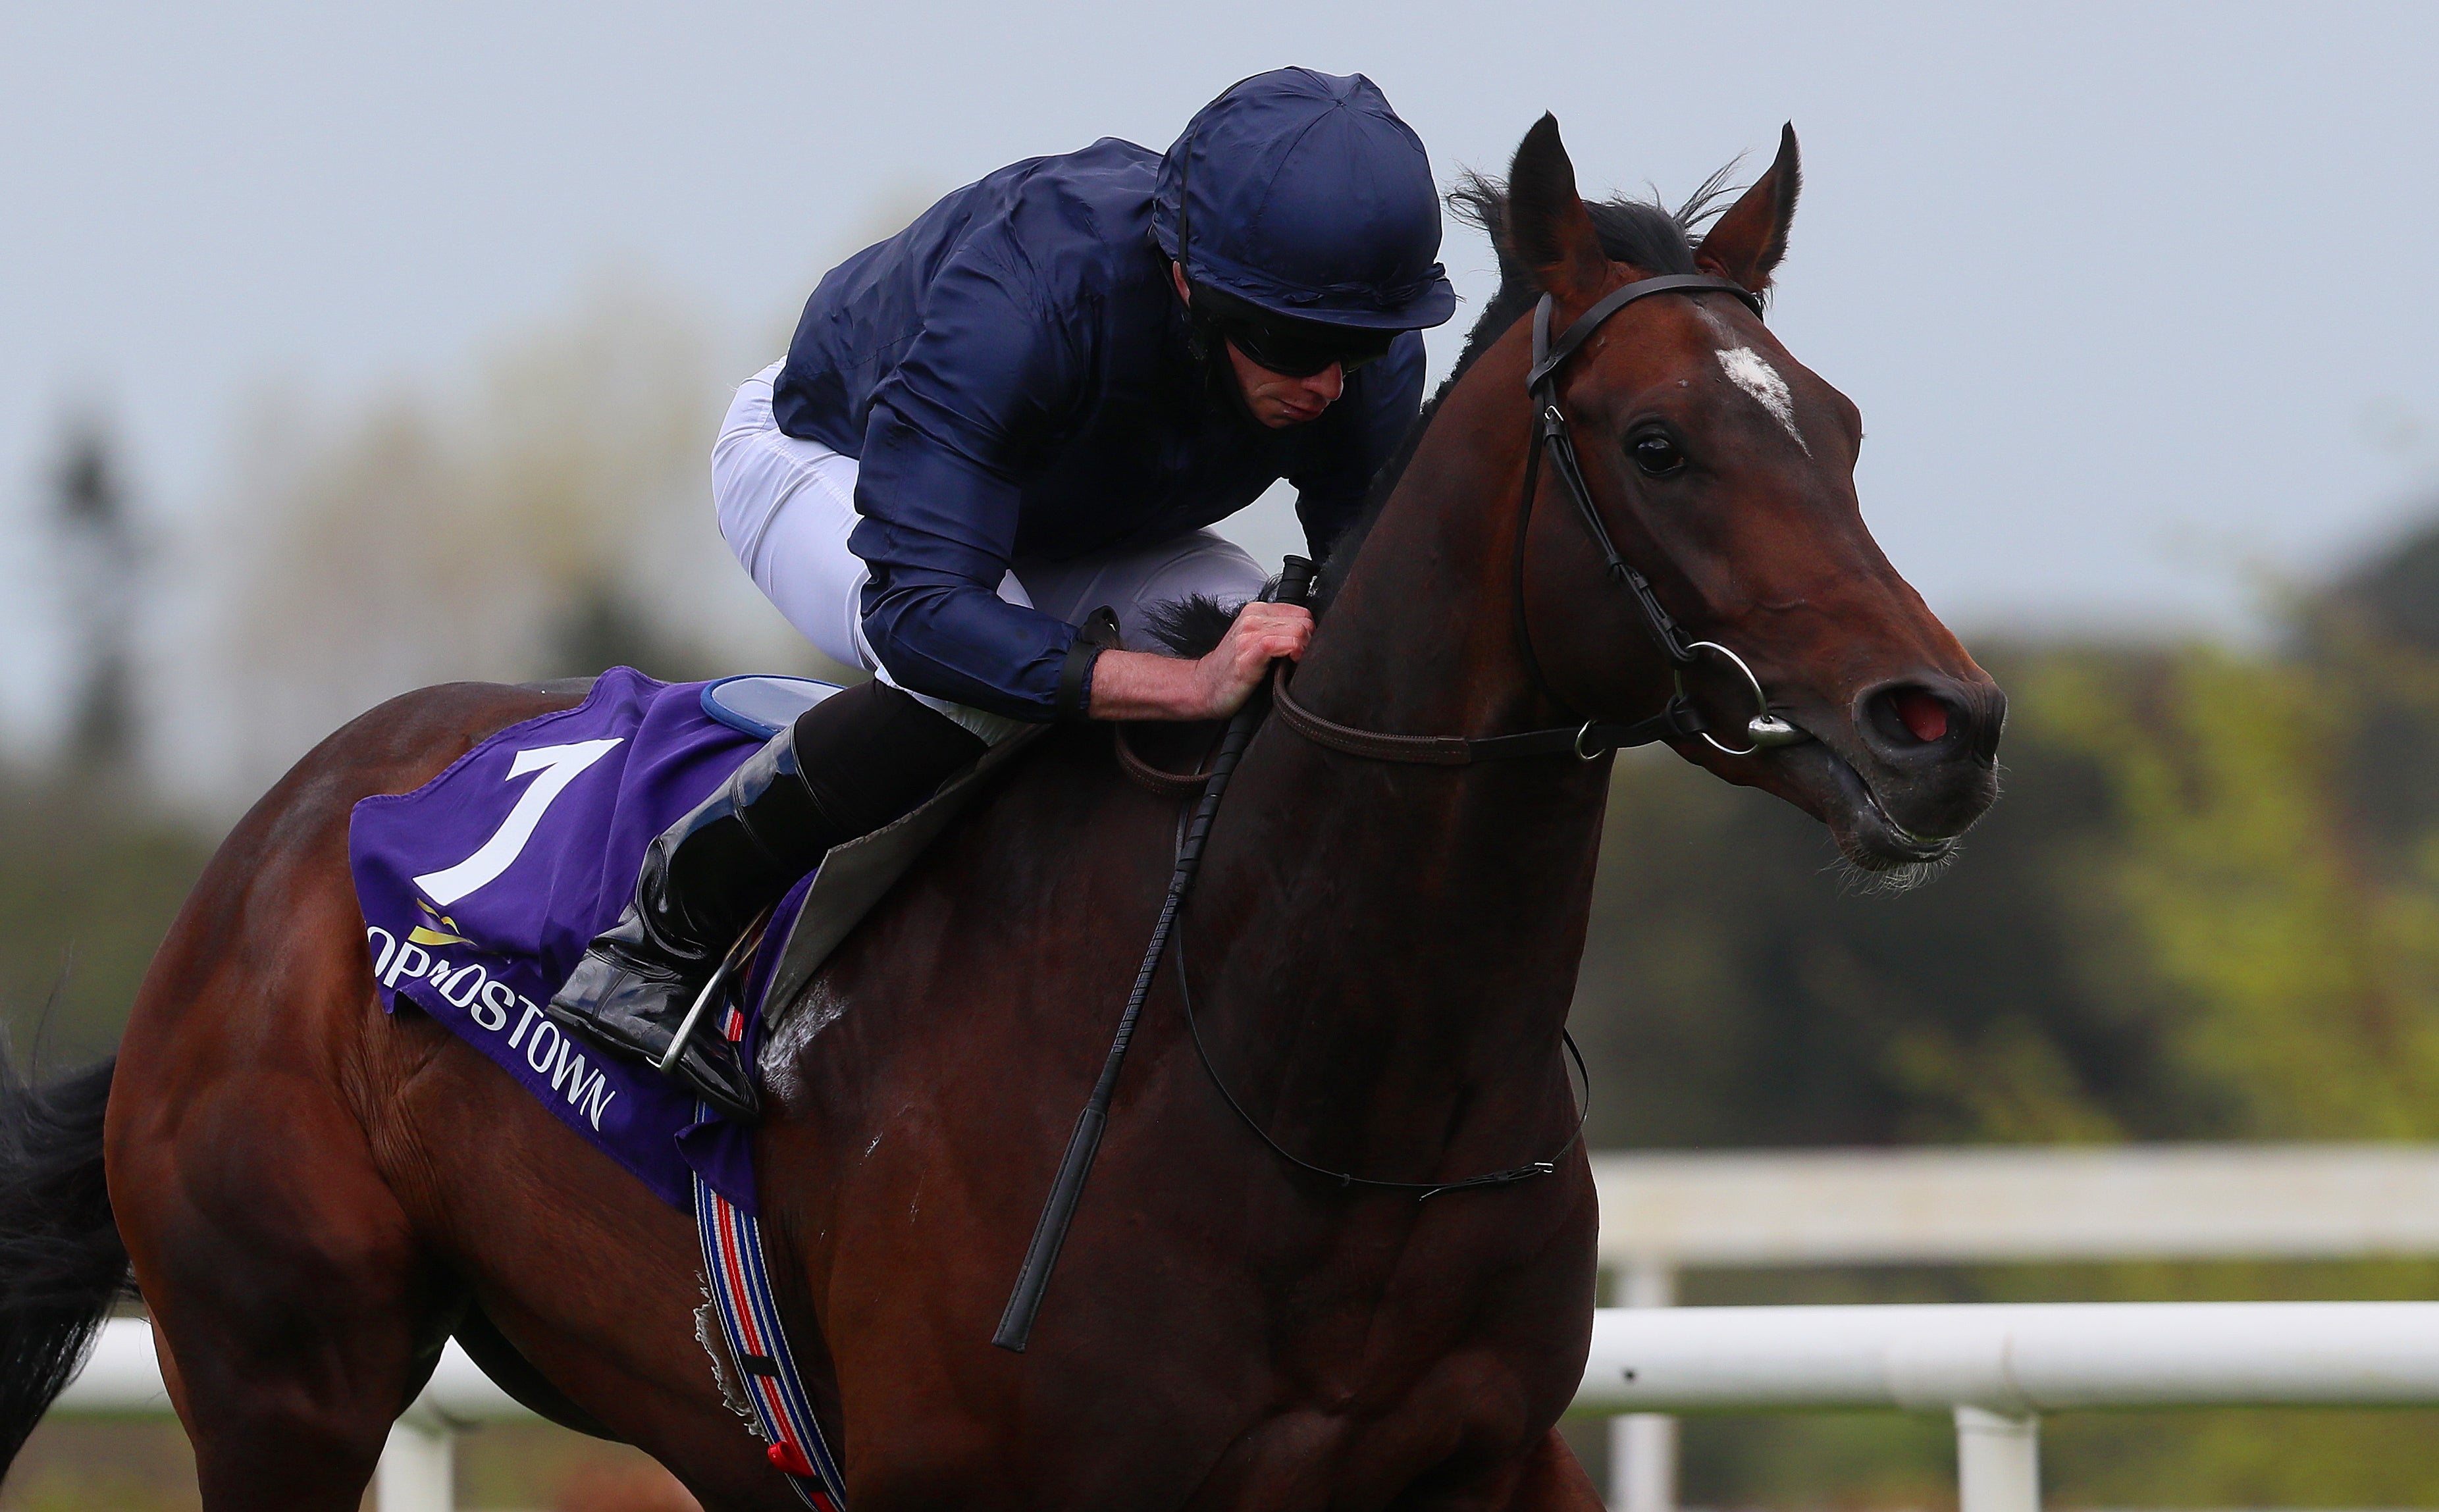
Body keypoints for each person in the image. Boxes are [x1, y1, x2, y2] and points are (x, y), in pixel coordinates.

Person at [546, 68, 1457, 1121]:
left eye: (1360, 346)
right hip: (828, 460)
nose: (1331, 385)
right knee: (982, 688)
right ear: (1188, 284)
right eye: (1296, 344)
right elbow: (924, 613)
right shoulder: (1028, 292)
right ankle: (660, 932)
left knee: (1290, 684)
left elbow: (1372, 592)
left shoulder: (1352, 336)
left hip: (1082, 512)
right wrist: (1179, 682)